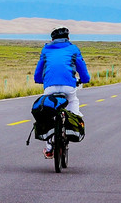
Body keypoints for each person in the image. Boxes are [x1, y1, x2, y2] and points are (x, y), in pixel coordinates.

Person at [34, 26, 91, 158]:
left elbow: (39, 70)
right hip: (68, 86)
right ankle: (73, 123)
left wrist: (39, 80)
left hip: (50, 87)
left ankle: (49, 147)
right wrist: (84, 79)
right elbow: (82, 68)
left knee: (48, 111)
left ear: (52, 38)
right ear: (68, 38)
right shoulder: (73, 49)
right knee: (72, 101)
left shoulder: (46, 49)